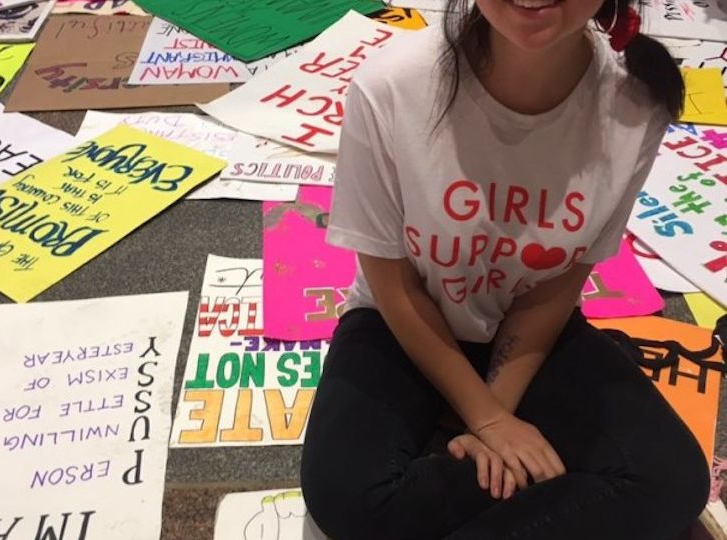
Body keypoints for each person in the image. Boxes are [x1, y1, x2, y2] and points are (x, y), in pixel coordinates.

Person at [300, 0, 712, 537]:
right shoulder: (392, 87)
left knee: (672, 480)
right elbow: (393, 284)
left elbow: (560, 284)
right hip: (402, 325)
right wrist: (489, 420)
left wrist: (496, 412)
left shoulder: (637, 102)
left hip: (532, 328)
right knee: (346, 496)